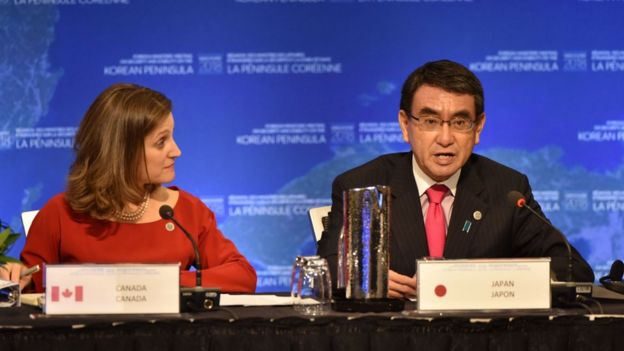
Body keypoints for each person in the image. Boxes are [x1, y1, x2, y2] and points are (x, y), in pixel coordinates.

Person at [317, 59, 594, 299]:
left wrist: (489, 282)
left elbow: (572, 268)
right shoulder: (364, 184)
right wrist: (367, 281)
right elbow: (327, 268)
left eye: (460, 123)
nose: (446, 138)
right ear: (405, 125)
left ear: (478, 128)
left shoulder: (507, 189)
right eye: (430, 121)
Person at [0, 83, 256, 293]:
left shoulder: (187, 212)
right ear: (121, 152)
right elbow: (29, 285)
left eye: (172, 137)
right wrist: (14, 277)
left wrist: (157, 282)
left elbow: (242, 277)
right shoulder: (60, 214)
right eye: (161, 142)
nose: (177, 151)